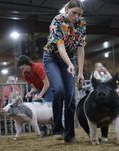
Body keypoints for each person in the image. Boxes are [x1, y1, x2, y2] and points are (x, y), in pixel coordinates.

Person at [43, 0, 85, 143]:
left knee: (70, 97)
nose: (76, 16)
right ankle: (57, 128)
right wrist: (69, 64)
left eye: (79, 14)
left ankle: (69, 134)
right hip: (52, 59)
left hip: (70, 58)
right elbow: (60, 48)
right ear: (67, 10)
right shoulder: (57, 21)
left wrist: (80, 72)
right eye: (74, 13)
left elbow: (80, 48)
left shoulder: (81, 24)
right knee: (59, 90)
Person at [17, 55, 53, 136]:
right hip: (41, 88)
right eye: (20, 66)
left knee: (48, 106)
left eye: (22, 65)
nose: (21, 68)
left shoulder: (38, 67)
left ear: (27, 64)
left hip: (50, 86)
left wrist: (40, 95)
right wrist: (30, 92)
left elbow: (47, 84)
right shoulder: (25, 74)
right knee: (38, 109)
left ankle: (55, 127)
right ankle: (43, 130)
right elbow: (34, 87)